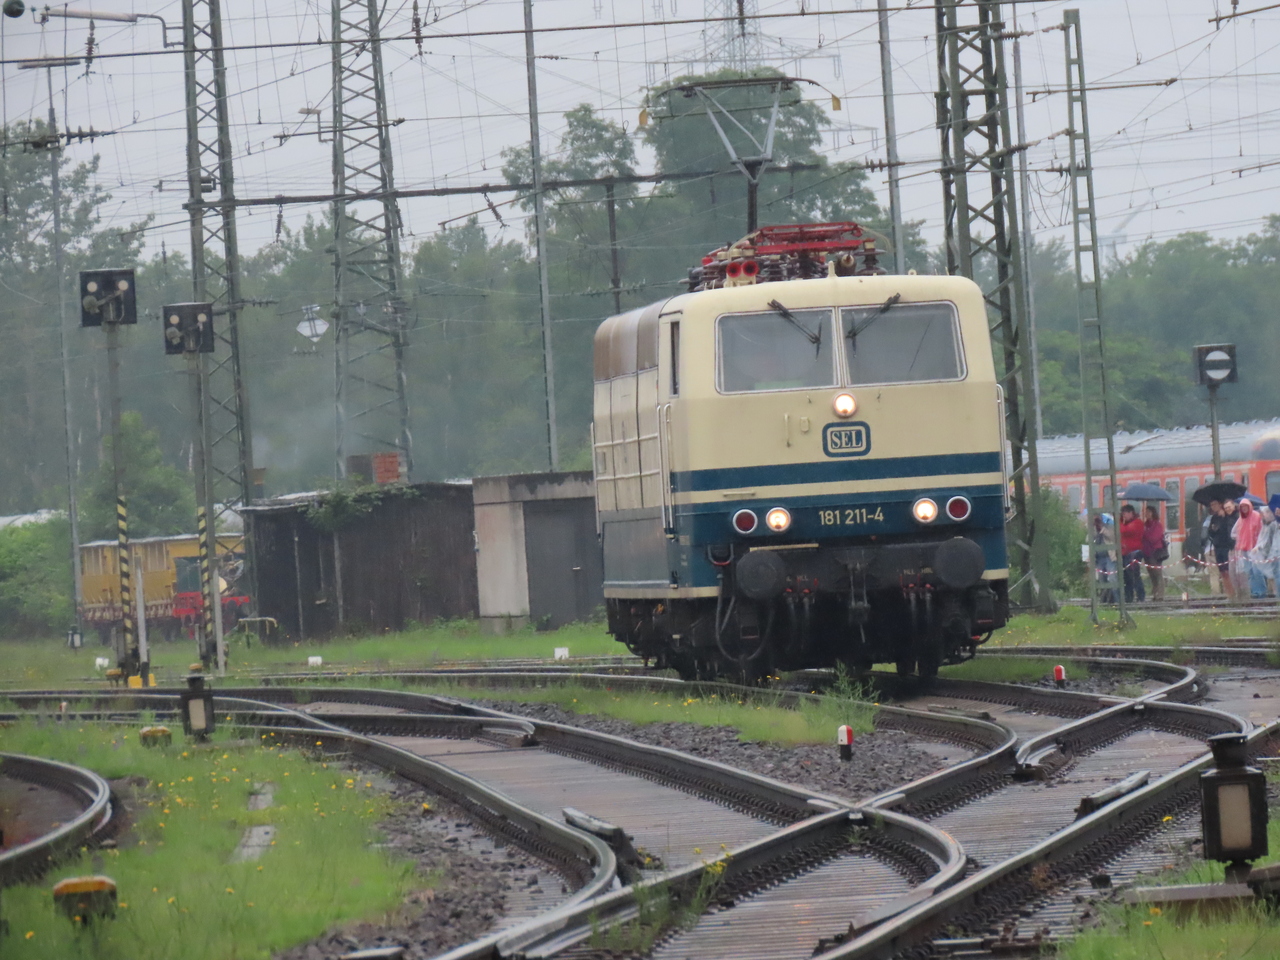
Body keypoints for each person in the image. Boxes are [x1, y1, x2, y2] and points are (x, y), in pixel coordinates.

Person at [1231, 499, 1263, 598]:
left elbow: (1262, 531)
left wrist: (1258, 542)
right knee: (1249, 571)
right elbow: (1233, 533)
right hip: (1244, 549)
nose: (1244, 508)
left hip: (1255, 548)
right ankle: (1254, 592)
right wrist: (1241, 538)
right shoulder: (1241, 519)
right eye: (1242, 507)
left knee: (1257, 571)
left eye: (1245, 506)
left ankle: (1261, 592)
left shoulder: (1256, 516)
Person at [1207, 500, 1235, 599]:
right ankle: (1228, 593)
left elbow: (1230, 529)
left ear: (1220, 504)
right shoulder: (1214, 518)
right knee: (1222, 571)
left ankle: (1233, 593)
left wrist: (1224, 517)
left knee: (1229, 570)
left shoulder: (1228, 516)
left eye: (1214, 504)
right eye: (1211, 505)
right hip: (1217, 546)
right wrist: (1213, 529)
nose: (1213, 506)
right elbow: (1210, 532)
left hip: (1227, 546)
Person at [1119, 503, 1145, 603]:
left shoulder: (1137, 523)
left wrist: (1119, 522)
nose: (1124, 516)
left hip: (1134, 552)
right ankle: (1128, 596)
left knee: (1134, 575)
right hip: (1125, 552)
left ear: (1131, 513)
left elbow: (1125, 530)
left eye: (1125, 513)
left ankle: (1140, 595)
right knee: (1126, 576)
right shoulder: (1125, 523)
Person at [1251, 505, 1278, 598]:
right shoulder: (1265, 525)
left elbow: (1269, 540)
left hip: (1274, 553)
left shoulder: (1274, 525)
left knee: (1275, 574)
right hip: (1267, 553)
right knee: (1271, 575)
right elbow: (1261, 539)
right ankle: (1275, 594)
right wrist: (1258, 547)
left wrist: (1259, 547)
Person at [1142, 504, 1167, 601]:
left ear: (1153, 513)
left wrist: (1146, 533)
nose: (1146, 514)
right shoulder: (1145, 525)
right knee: (1151, 574)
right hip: (1147, 552)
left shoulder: (1157, 525)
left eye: (1148, 512)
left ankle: (1160, 594)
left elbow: (1154, 538)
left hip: (1156, 551)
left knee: (1157, 573)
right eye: (1145, 512)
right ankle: (1155, 592)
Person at [1092, 514, 1116, 604]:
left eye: (1098, 519)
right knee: (1102, 580)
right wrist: (1094, 529)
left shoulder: (1109, 526)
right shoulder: (1093, 529)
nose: (1097, 522)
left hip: (1109, 557)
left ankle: (1116, 599)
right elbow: (1088, 539)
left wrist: (1102, 528)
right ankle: (1104, 600)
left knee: (1112, 578)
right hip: (1099, 558)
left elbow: (1113, 537)